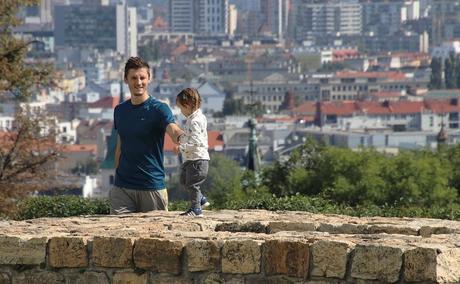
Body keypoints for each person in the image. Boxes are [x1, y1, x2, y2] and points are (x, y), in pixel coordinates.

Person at [110, 57, 184, 214]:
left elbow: (172, 128)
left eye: (142, 78)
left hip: (151, 187)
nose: (138, 82)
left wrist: (180, 137)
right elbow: (120, 145)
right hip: (122, 189)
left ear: (149, 79)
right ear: (126, 80)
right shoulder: (120, 111)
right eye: (134, 78)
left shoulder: (159, 109)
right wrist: (118, 178)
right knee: (117, 235)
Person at [175, 88, 210, 217]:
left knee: (192, 184)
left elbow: (196, 142)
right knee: (184, 180)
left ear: (188, 105)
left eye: (181, 108)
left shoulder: (195, 121)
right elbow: (190, 135)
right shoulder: (196, 118)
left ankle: (196, 209)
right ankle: (201, 199)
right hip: (192, 159)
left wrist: (181, 147)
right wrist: (182, 139)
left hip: (197, 160)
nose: (181, 111)